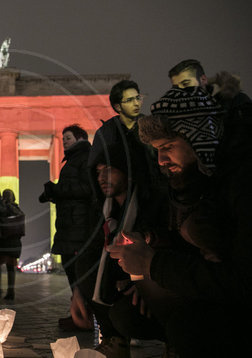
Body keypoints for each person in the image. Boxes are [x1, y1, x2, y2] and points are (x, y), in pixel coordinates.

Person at [108, 85, 252, 357]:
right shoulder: (194, 180)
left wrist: (152, 265)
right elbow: (196, 244)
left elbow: (242, 279)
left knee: (190, 326)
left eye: (169, 147)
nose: (162, 160)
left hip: (238, 304)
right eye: (156, 150)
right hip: (214, 288)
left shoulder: (242, 184)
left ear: (199, 138)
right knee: (126, 314)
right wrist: (152, 241)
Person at [82, 144, 170, 357]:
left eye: (109, 169)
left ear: (129, 170)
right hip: (128, 285)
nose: (102, 177)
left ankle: (176, 338)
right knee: (85, 263)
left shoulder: (157, 202)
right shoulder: (106, 211)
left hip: (160, 283)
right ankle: (115, 340)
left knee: (125, 316)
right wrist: (78, 292)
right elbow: (93, 253)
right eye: (98, 171)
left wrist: (146, 284)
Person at [39, 124, 97, 329]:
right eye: (63, 138)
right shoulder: (73, 160)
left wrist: (58, 189)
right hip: (69, 224)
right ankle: (80, 314)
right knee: (72, 271)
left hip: (79, 226)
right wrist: (53, 194)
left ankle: (83, 317)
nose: (64, 141)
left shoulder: (86, 158)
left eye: (68, 138)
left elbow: (88, 189)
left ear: (81, 138)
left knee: (79, 272)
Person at [87, 80, 160, 195]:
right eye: (130, 100)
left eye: (138, 98)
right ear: (118, 106)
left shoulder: (151, 127)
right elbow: (93, 166)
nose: (136, 103)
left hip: (150, 191)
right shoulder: (106, 132)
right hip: (118, 194)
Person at [0, 189, 25, 301]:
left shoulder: (2, 207)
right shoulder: (17, 209)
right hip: (13, 241)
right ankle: (10, 292)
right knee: (10, 268)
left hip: (2, 241)